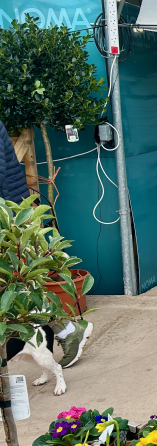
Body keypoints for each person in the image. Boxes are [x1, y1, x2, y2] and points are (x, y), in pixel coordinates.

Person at [0, 120, 92, 367]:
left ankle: (67, 330)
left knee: (17, 289)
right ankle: (66, 330)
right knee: (19, 289)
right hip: (11, 211)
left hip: (8, 217)